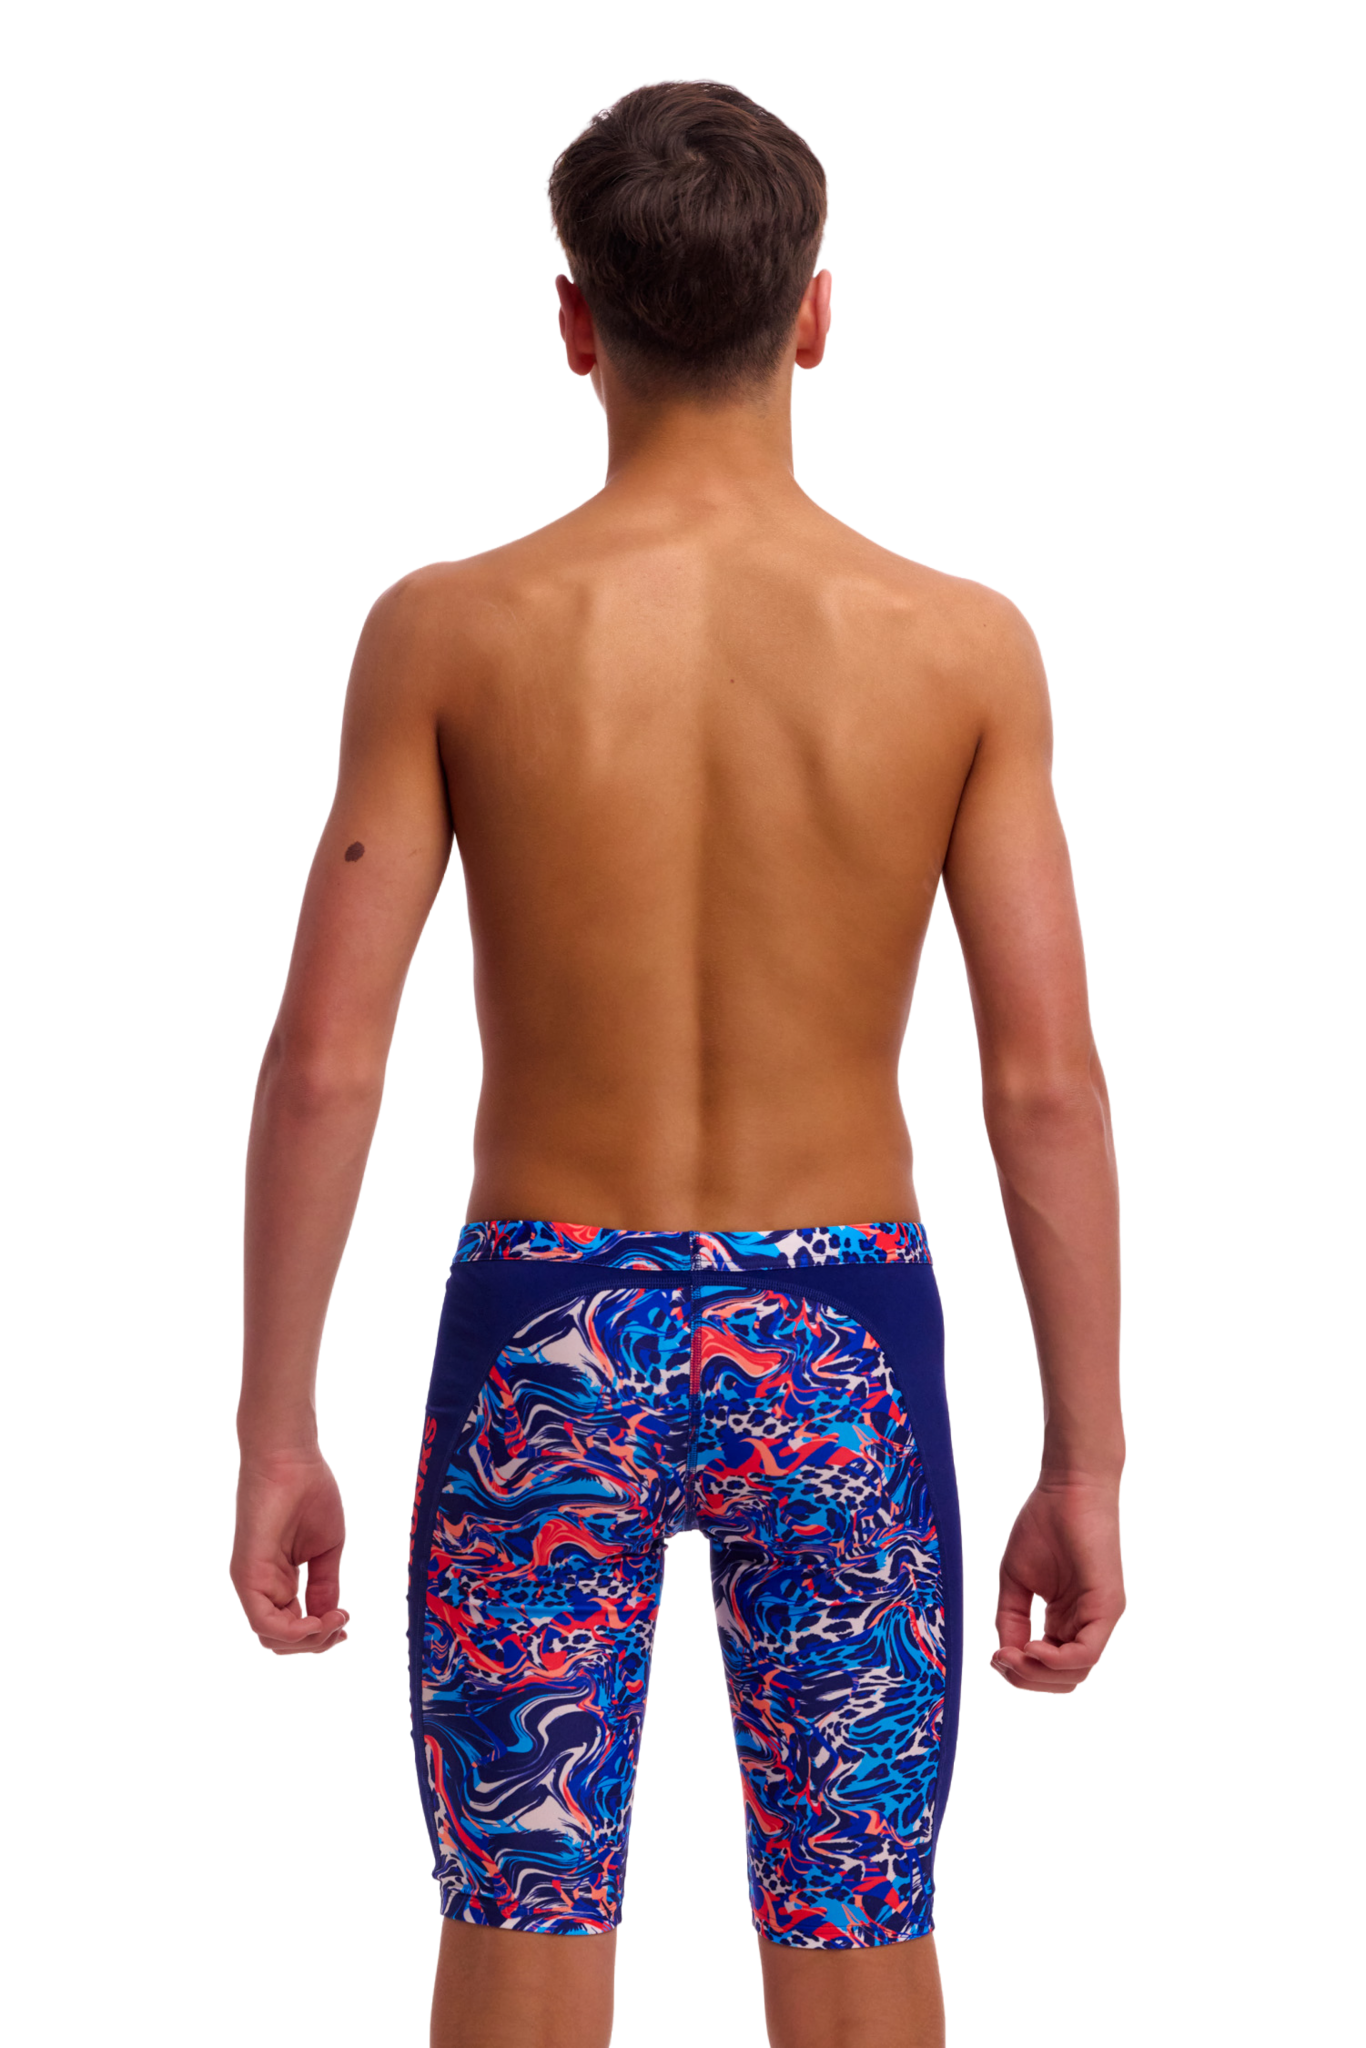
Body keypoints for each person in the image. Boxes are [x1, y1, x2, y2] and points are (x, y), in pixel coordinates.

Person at [230, 76, 1127, 2048]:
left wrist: (272, 1427)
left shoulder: (447, 629)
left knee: (515, 1933)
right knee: (860, 1934)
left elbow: (323, 1062)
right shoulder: (959, 643)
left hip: (543, 1336)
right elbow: (1040, 1085)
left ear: (570, 319)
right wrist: (1085, 1461)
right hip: (841, 1345)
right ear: (815, 314)